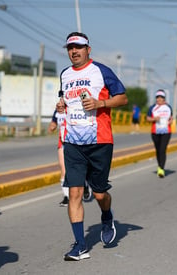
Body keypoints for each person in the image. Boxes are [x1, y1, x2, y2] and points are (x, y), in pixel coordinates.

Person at [59, 32, 128, 261]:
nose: (74, 51)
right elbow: (65, 99)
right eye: (70, 48)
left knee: (99, 193)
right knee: (75, 192)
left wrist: (101, 103)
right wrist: (61, 105)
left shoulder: (101, 71)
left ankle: (107, 217)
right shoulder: (65, 74)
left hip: (100, 141)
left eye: (78, 47)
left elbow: (122, 98)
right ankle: (80, 245)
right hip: (73, 143)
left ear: (88, 49)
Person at [146, 89, 173, 178]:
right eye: (157, 97)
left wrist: (170, 121)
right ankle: (159, 166)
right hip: (155, 131)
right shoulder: (152, 107)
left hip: (166, 131)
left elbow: (171, 118)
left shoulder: (168, 107)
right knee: (158, 150)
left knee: (162, 149)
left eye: (161, 97)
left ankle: (161, 169)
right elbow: (148, 118)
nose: (159, 99)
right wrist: (154, 119)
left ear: (164, 98)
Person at [48, 102, 68, 206]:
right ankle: (66, 197)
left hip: (76, 141)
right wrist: (52, 126)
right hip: (63, 141)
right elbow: (54, 123)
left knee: (80, 167)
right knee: (63, 168)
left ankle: (85, 184)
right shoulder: (58, 110)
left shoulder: (73, 108)